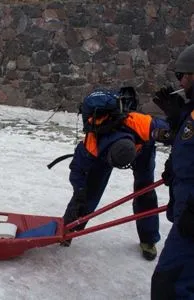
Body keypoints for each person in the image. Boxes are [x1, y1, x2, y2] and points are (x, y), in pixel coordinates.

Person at [61, 88, 169, 261]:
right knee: (87, 192)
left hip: (142, 148)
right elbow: (77, 170)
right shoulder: (93, 145)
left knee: (146, 192)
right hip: (104, 156)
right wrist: (79, 189)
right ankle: (68, 229)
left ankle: (148, 240)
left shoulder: (141, 124)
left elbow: (172, 131)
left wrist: (169, 136)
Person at [150, 44, 194, 299]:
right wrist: (178, 118)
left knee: (170, 284)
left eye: (184, 75)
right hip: (186, 204)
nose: (180, 81)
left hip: (192, 213)